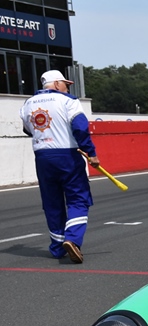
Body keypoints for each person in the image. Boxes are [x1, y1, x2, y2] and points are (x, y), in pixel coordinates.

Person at [20, 70, 100, 263]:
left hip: (42, 158)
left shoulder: (27, 104)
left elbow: (27, 129)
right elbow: (80, 127)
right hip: (68, 156)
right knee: (79, 198)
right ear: (56, 84)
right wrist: (91, 152)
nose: (68, 88)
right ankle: (72, 239)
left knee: (52, 202)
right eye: (66, 84)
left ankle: (57, 247)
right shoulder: (68, 101)